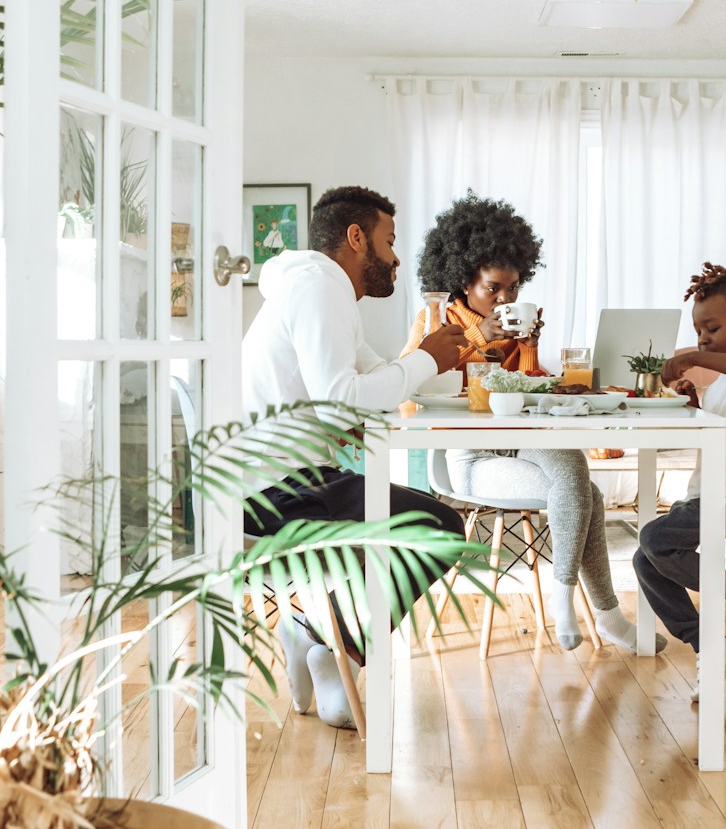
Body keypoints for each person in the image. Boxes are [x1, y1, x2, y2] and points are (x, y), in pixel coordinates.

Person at [242, 185, 469, 728]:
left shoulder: (318, 289)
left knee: (423, 520)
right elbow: (345, 397)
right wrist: (425, 359)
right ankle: (326, 644)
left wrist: (418, 364)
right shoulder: (320, 290)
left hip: (286, 476)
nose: (395, 259)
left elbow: (365, 380)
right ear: (355, 237)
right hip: (268, 492)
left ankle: (317, 636)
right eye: (389, 242)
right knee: (439, 527)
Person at [402, 192, 665, 654]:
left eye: (514, 287)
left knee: (573, 469)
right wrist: (476, 336)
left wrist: (528, 348)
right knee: (586, 491)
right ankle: (600, 613)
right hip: (471, 455)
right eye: (493, 289)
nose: (505, 298)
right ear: (464, 281)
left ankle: (567, 598)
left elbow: (523, 393)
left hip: (521, 441)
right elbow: (410, 389)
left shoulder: (513, 324)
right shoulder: (437, 320)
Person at [632, 260, 726, 698]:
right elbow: (718, 432)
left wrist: (694, 359)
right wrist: (694, 397)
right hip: (706, 497)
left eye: (712, 329)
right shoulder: (720, 386)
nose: (702, 339)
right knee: (645, 560)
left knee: (655, 540)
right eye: (699, 331)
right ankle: (709, 645)